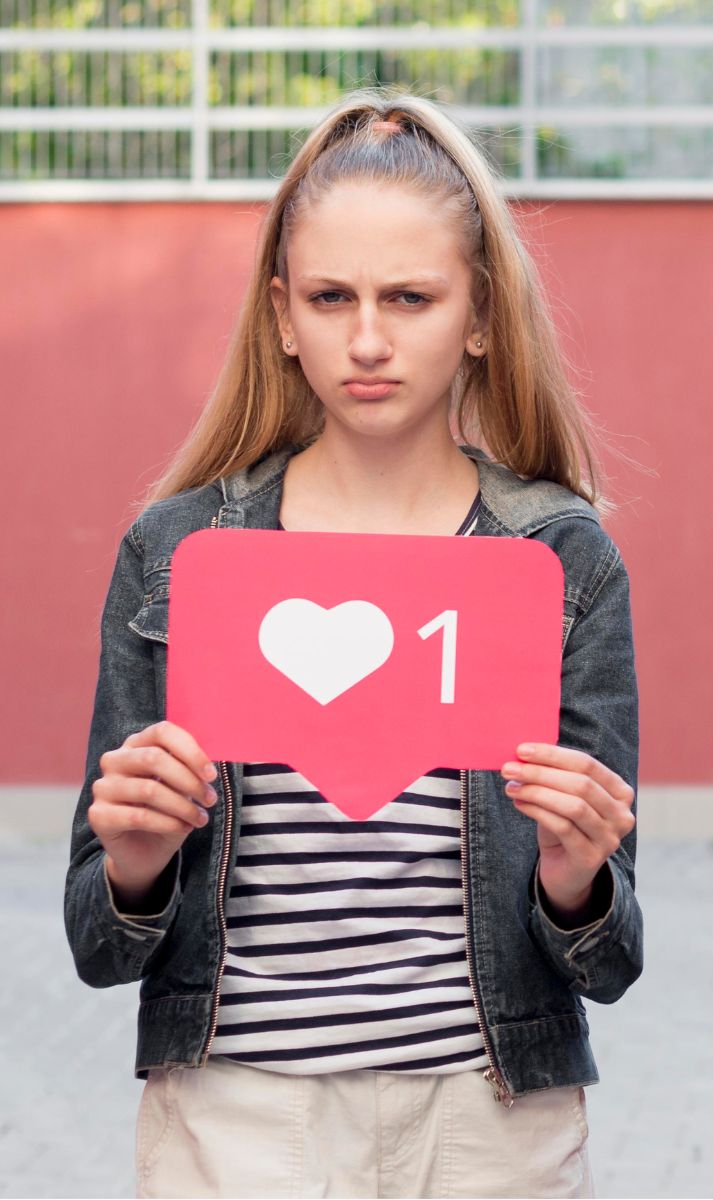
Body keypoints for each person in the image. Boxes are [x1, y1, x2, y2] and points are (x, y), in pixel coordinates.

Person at [63, 89, 641, 1197]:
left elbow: (610, 958)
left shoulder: (560, 563)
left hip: (489, 1122)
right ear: (282, 315)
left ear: (479, 315)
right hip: (234, 1122)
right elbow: (99, 940)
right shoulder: (176, 555)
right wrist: (134, 865)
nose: (367, 339)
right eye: (331, 298)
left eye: (411, 298)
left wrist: (576, 878)